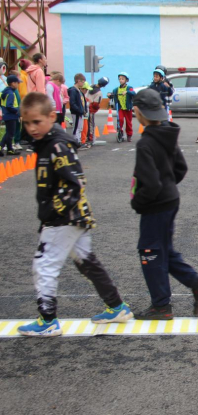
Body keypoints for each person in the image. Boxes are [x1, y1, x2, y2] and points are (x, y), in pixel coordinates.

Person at [16, 92, 132, 337]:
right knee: (86, 262)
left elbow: (75, 183)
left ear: (51, 116)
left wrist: (52, 212)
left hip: (64, 217)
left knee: (44, 265)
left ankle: (47, 320)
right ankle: (116, 307)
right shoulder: (50, 142)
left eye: (36, 122)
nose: (31, 128)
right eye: (27, 123)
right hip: (75, 215)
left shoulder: (57, 144)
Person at [130, 88, 198, 320]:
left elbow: (150, 184)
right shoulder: (167, 135)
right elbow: (180, 168)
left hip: (155, 204)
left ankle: (161, 305)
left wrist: (138, 202)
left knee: (150, 251)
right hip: (170, 199)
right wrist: (168, 185)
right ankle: (196, 283)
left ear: (137, 111)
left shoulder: (146, 143)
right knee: (164, 248)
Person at [108, 72, 135, 142]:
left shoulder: (129, 88)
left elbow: (133, 93)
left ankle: (129, 135)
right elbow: (112, 94)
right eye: (119, 79)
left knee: (129, 122)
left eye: (122, 79)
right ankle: (120, 133)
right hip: (120, 108)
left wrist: (127, 92)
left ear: (126, 80)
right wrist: (109, 94)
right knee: (120, 120)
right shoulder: (116, 89)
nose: (121, 80)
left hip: (128, 108)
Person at [0, 75, 21, 156]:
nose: (18, 85)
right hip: (11, 115)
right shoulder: (11, 93)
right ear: (12, 83)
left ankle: (10, 149)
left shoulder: (5, 91)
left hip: (7, 115)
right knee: (10, 133)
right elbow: (9, 105)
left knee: (9, 132)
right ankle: (1, 146)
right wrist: (17, 111)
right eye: (17, 83)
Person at [67, 74, 87, 145]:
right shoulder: (73, 90)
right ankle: (75, 141)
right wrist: (79, 110)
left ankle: (78, 141)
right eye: (83, 82)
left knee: (80, 128)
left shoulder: (78, 91)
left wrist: (84, 110)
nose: (83, 83)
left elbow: (82, 101)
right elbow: (72, 103)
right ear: (78, 81)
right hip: (76, 112)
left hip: (80, 112)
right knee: (76, 127)